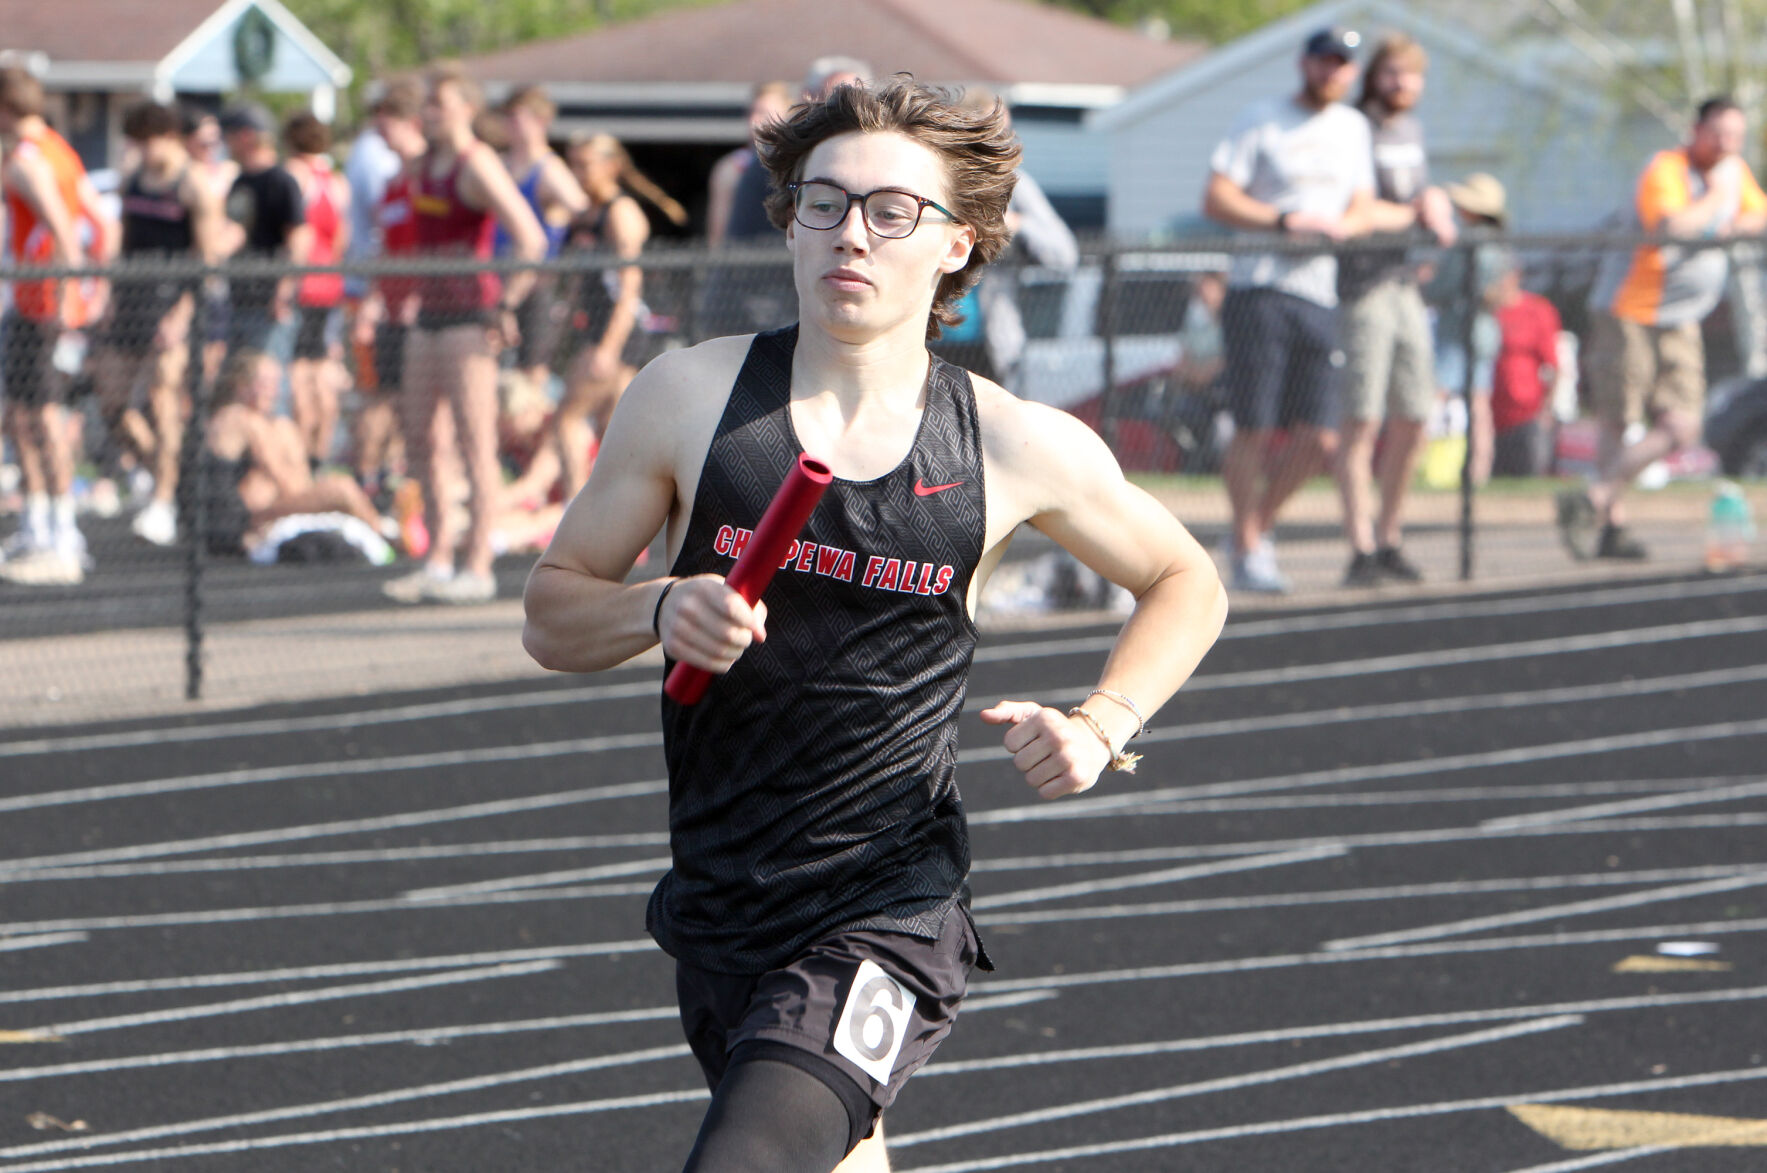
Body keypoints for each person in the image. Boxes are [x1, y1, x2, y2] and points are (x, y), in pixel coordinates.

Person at [522, 80, 1227, 1173]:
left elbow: (1186, 576)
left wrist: (1101, 722)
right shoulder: (689, 398)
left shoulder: (1010, 442)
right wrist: (659, 606)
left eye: (892, 210)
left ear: (960, 245)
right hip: (722, 898)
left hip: (890, 905)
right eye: (824, 202)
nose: (851, 233)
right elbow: (552, 615)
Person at [1202, 26, 1376, 593]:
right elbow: (1218, 196)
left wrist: (1345, 226)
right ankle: (1249, 545)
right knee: (1253, 425)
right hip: (1259, 289)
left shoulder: (1353, 127)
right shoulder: (1262, 116)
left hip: (1319, 292)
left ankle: (1253, 530)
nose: (1333, 72)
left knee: (1322, 436)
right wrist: (1283, 222)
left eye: (1343, 64)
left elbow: (1363, 201)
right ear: (1305, 63)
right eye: (1325, 61)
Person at [1562, 95, 1767, 561]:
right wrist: (1718, 202)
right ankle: (1611, 527)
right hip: (1631, 309)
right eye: (1718, 134)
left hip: (1683, 316)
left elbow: (1759, 215)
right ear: (1696, 129)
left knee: (1682, 425)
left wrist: (1724, 217)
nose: (1727, 145)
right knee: (1620, 418)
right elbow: (1673, 225)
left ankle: (1593, 497)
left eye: (1735, 136)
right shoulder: (1667, 168)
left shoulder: (1734, 172)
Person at [381, 63, 546, 605]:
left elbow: (530, 239)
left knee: (476, 441)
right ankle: (437, 558)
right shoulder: (424, 163)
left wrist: (507, 304)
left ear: (466, 108)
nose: (429, 109)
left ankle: (478, 564)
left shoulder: (477, 165)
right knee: (424, 441)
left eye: (440, 101)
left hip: (468, 320)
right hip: (426, 316)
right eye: (427, 101)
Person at [1333, 34, 1458, 587]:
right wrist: (1411, 211)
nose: (1401, 83)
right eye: (1392, 73)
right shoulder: (1351, 127)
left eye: (1411, 74)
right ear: (1373, 75)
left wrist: (1434, 206)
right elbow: (1350, 206)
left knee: (1415, 416)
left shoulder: (1412, 130)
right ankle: (1359, 545)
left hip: (1406, 282)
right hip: (1361, 286)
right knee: (1362, 419)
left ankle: (1389, 537)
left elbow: (1418, 197)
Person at [88, 100, 225, 550]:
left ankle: (164, 500)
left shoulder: (193, 186)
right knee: (112, 400)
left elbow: (205, 260)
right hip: (131, 298)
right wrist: (108, 294)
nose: (141, 150)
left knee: (162, 399)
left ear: (167, 137)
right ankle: (164, 474)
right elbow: (122, 240)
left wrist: (181, 315)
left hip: (173, 302)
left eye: (147, 141)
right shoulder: (132, 180)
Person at [0, 65, 114, 585]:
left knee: (42, 419)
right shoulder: (59, 149)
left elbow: (68, 235)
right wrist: (95, 290)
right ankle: (39, 525)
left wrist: (74, 300)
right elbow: (104, 224)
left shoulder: (29, 161)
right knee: (24, 416)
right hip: (37, 304)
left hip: (43, 305)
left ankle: (61, 533)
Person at [556, 133, 686, 499]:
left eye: (585, 166)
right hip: (594, 326)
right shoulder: (586, 213)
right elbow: (581, 280)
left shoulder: (620, 212)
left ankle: (575, 507)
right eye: (573, 165)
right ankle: (617, 518)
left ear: (610, 166)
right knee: (610, 428)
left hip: (617, 332)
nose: (577, 174)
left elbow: (629, 288)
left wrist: (609, 348)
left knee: (567, 418)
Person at [199, 348, 386, 556]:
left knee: (290, 434)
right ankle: (384, 537)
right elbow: (282, 478)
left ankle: (380, 531)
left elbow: (295, 477)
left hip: (270, 506)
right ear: (241, 386)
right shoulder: (237, 416)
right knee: (343, 489)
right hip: (235, 521)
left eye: (276, 383)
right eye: (265, 383)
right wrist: (315, 495)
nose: (273, 391)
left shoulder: (276, 424)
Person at [346, 78, 425, 496]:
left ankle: (406, 481)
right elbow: (386, 249)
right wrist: (372, 304)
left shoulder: (428, 179)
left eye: (387, 125)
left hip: (429, 312)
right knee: (380, 393)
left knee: (416, 404)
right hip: (392, 311)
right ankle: (371, 480)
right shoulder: (393, 181)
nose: (380, 135)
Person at [496, 85, 589, 398]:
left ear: (540, 120)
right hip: (496, 282)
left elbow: (585, 214)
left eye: (516, 117)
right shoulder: (501, 165)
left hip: (535, 286)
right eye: (505, 117)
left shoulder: (550, 169)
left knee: (531, 378)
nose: (509, 124)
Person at [282, 111, 352, 467]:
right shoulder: (336, 182)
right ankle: (319, 455)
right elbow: (341, 238)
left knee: (299, 374)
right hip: (329, 285)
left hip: (303, 286)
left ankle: (303, 456)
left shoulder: (294, 175)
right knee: (324, 371)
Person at [221, 103, 311, 362]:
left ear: (246, 136)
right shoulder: (240, 181)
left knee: (267, 379)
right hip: (239, 299)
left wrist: (283, 291)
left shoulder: (280, 181)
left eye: (230, 136)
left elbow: (299, 239)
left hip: (269, 301)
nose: (226, 144)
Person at [1490, 263, 1562, 478]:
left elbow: (1553, 366)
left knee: (1529, 475)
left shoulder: (1537, 310)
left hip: (1526, 414)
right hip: (1488, 415)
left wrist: (1547, 408)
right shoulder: (1482, 311)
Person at [706, 82, 794, 249]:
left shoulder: (799, 165)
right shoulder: (732, 168)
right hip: (744, 264)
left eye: (763, 113)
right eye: (752, 112)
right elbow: (717, 235)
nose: (754, 120)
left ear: (787, 117)